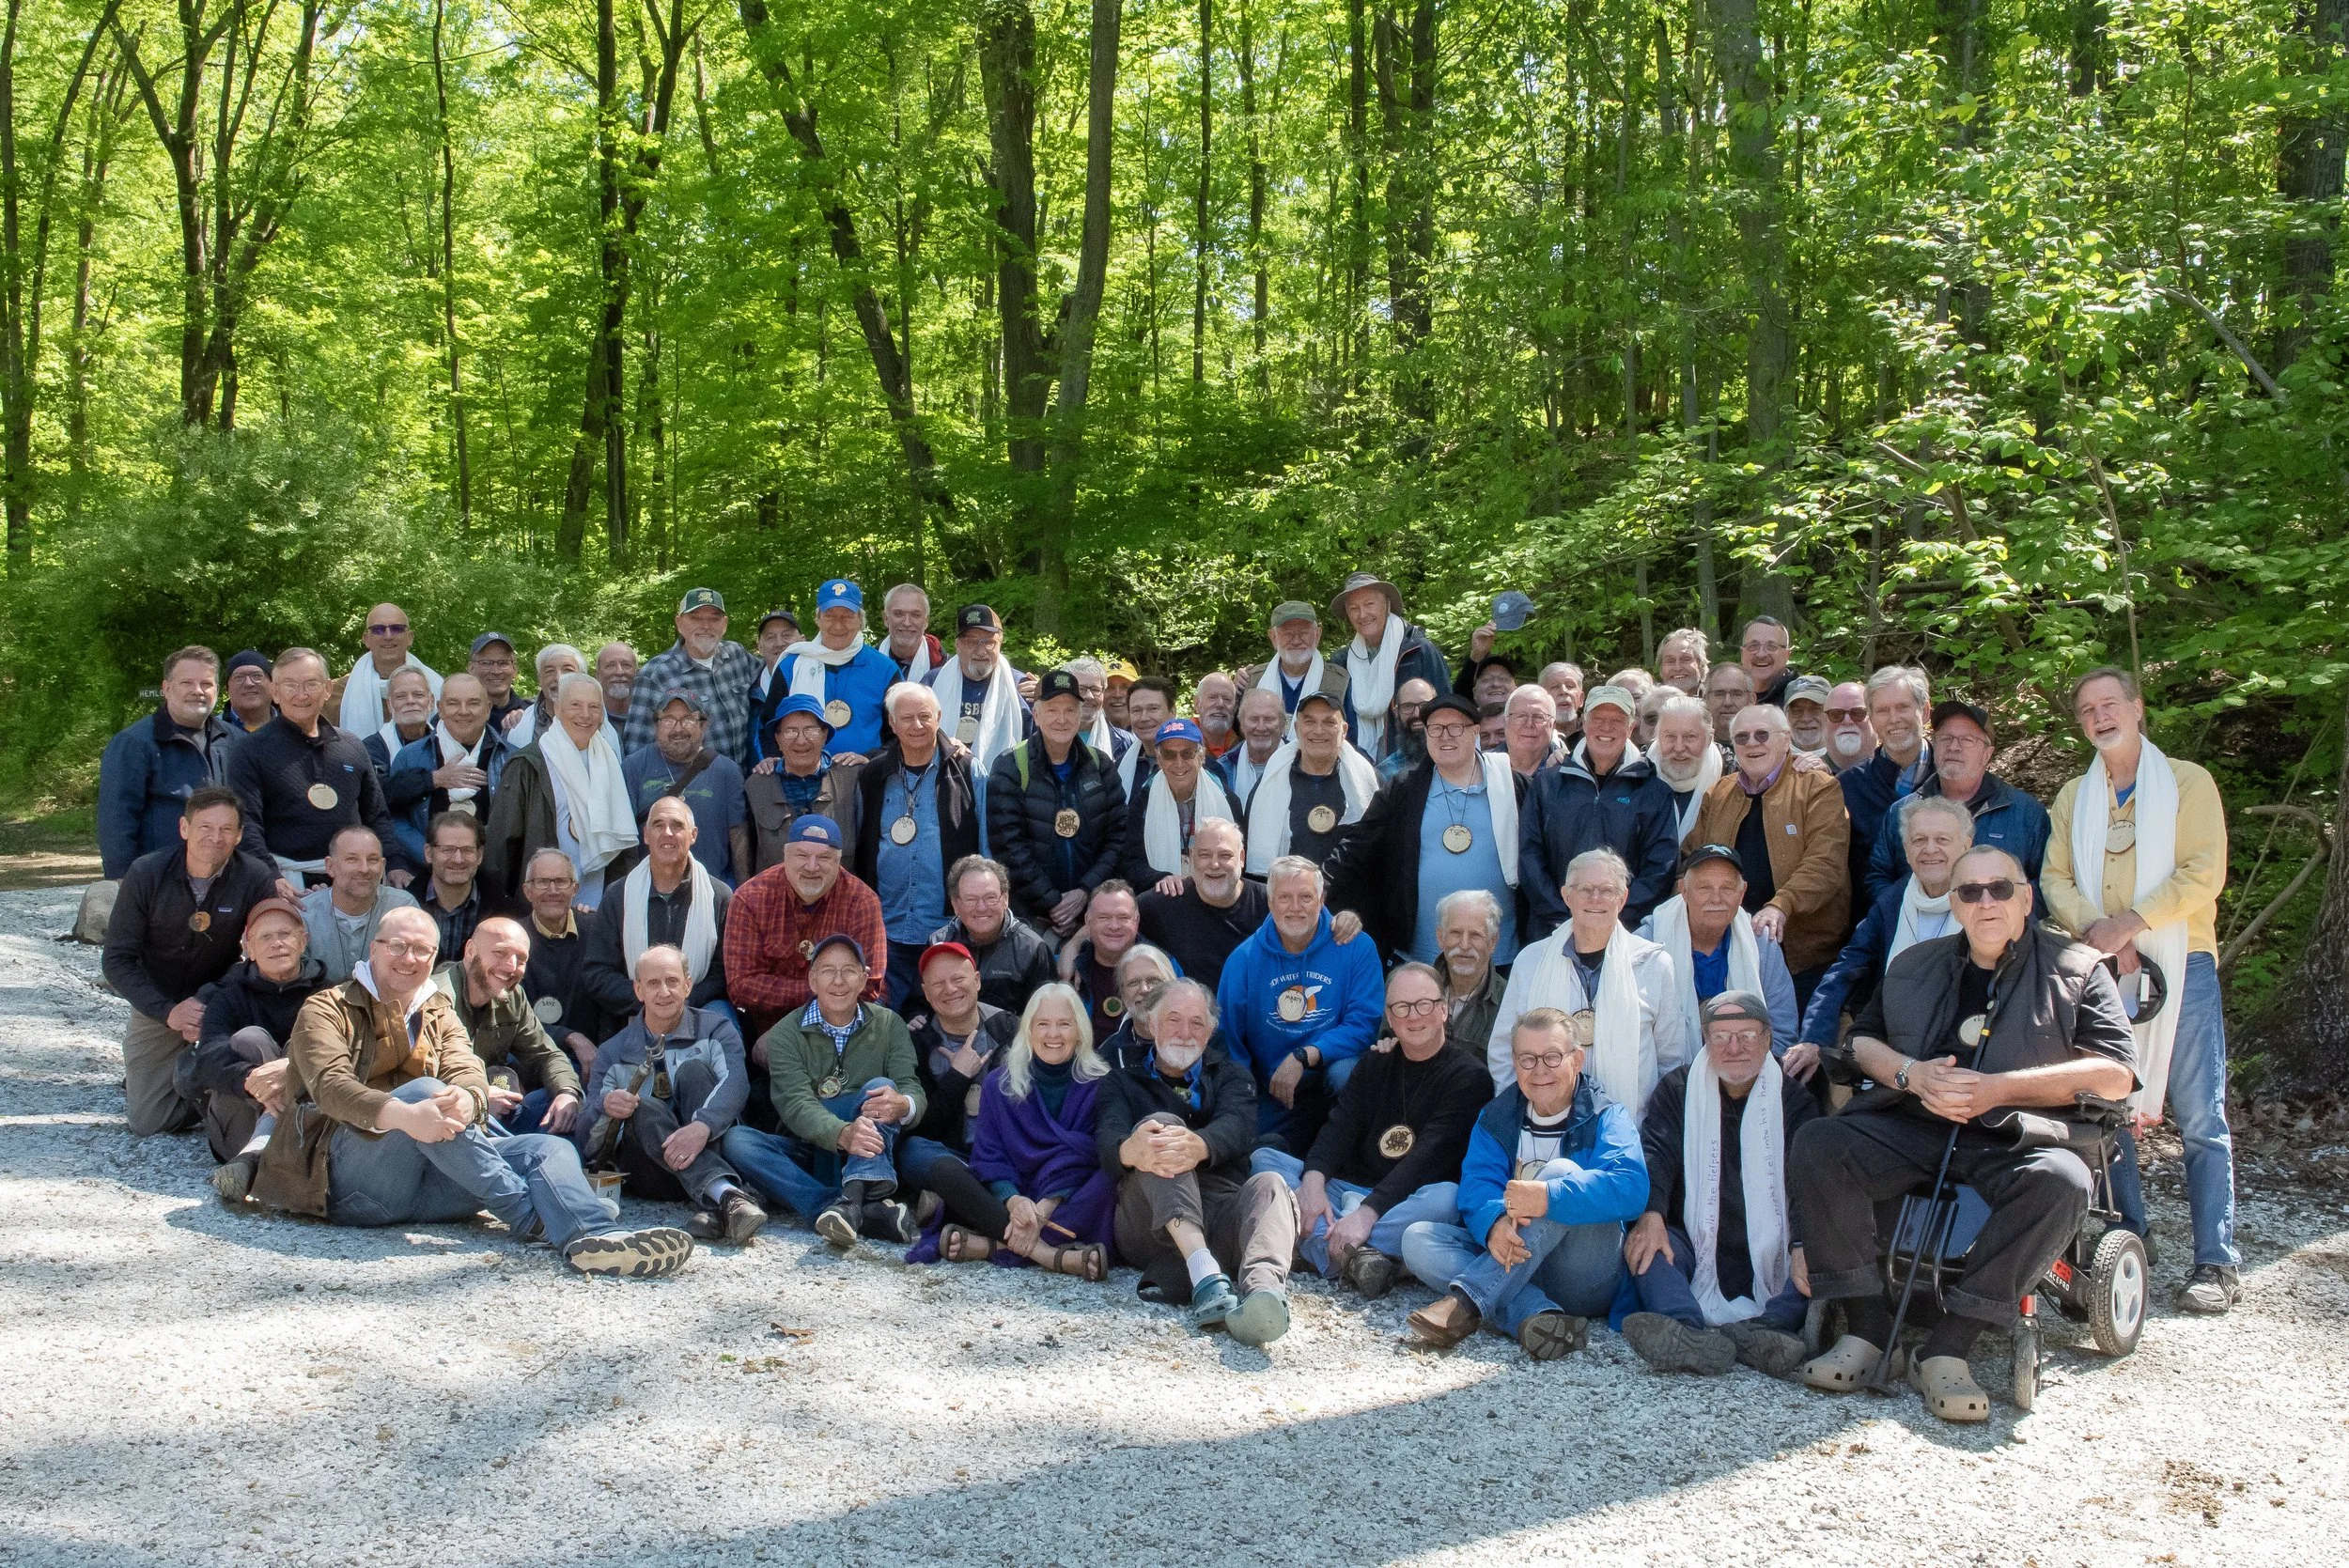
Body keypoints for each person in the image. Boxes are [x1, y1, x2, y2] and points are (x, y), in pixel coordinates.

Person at [1791, 846, 2137, 1423]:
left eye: (2000, 888)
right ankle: (1868, 1328)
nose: (1986, 902)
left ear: (2026, 897)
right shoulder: (1914, 964)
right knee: (1821, 1143)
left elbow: (2117, 1073)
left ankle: (1948, 1345)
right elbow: (1862, 1041)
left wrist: (1999, 1088)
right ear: (1954, 903)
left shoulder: (2078, 968)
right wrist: (1912, 1074)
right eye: (1970, 892)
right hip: (1915, 1122)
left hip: (2016, 1135)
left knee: (2066, 1180)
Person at [244, 906, 693, 1278]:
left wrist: (471, 1098)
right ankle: (532, 1216)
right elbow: (331, 1088)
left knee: (547, 1147)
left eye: (422, 949)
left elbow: (468, 1068)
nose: (410, 958)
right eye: (399, 946)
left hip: (428, 1180)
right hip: (345, 1182)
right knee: (423, 1091)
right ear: (374, 949)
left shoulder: (436, 1008)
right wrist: (406, 1115)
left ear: (435, 955)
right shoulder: (327, 1007)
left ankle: (595, 1239)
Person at [2042, 667, 2240, 1312]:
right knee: (2108, 1105)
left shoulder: (2187, 783)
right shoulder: (2075, 796)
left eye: (2109, 704)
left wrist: (2133, 923)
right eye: (2086, 709)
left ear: (2137, 707)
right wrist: (2102, 935)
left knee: (2201, 1116)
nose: (2099, 716)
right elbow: (2054, 877)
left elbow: (2203, 871)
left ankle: (2216, 1261)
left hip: (2183, 965)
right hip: (2101, 967)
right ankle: (2131, 1235)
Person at [1400, 1008, 1647, 1358]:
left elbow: (1631, 1187)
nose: (1540, 1070)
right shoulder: (1498, 1116)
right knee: (1418, 1239)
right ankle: (1536, 1315)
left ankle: (1469, 1300)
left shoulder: (1606, 1114)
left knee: (1558, 1173)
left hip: (1585, 1272)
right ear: (1514, 1063)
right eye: (1527, 1059)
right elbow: (1477, 1184)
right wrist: (1494, 1224)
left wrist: (1549, 1197)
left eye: (1551, 1057)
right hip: (1516, 1261)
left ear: (1577, 1060)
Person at [1252, 962, 1488, 1296]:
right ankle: (1361, 1257)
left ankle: (1326, 1246)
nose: (1414, 1016)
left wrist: (1365, 1214)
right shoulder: (1374, 1063)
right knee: (1264, 1161)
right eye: (1401, 1008)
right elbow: (1338, 1129)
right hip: (1349, 1191)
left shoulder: (1469, 1078)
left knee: (1447, 1199)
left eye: (1424, 1004)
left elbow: (1427, 1159)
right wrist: (1314, 1183)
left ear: (1443, 1010)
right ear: (1390, 1019)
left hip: (1406, 1201)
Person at [1622, 992, 1817, 1377]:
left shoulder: (1793, 1099)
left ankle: (1764, 1329)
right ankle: (1689, 1333)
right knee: (1648, 1250)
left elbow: (1808, 1182)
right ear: (1706, 1042)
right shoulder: (1678, 1089)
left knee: (1818, 1260)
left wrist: (1801, 1244)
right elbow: (1655, 1153)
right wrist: (1651, 1213)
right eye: (1721, 1037)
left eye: (1745, 1035)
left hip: (1775, 1242)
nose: (1734, 1048)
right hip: (1694, 1238)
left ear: (1767, 1039)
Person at [1098, 978, 1298, 1343]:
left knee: (1270, 1184)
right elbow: (1107, 1141)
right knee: (1161, 1130)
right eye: (1173, 1020)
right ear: (1152, 1025)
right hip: (1149, 1226)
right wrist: (1133, 1149)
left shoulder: (1233, 1076)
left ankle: (1263, 1295)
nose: (1185, 1032)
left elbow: (1237, 1126)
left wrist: (1200, 1145)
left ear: (1209, 1032)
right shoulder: (1121, 1082)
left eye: (1196, 1023)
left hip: (1219, 1214)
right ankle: (1205, 1276)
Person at [722, 932, 924, 1247]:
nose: (838, 981)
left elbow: (911, 1087)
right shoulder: (787, 1032)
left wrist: (904, 1105)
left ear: (863, 978)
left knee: (882, 1089)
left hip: (868, 1146)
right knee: (737, 1141)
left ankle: (851, 1201)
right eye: (828, 971)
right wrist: (842, 1133)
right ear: (813, 980)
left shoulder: (889, 1024)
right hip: (811, 1144)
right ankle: (841, 1207)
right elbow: (796, 1105)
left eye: (848, 971)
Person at [102, 787, 280, 1136]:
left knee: (256, 1066)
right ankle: (190, 1083)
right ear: (184, 827)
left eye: (227, 829)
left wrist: (208, 1000)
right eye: (205, 827)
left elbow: (262, 955)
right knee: (148, 1123)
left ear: (240, 835)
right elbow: (116, 959)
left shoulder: (255, 876)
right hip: (158, 1000)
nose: (216, 837)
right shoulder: (146, 872)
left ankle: (211, 1087)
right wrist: (167, 1011)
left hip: (222, 998)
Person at [915, 985, 1116, 1279]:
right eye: (1043, 1024)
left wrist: (1044, 1208)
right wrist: (1015, 1201)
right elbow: (989, 1156)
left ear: (1080, 1030)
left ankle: (991, 1245)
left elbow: (1091, 1155)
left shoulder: (1101, 1083)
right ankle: (1047, 1254)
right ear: (1028, 1030)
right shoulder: (999, 1083)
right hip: (1015, 1191)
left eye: (1064, 1024)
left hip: (1067, 1196)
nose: (1053, 1034)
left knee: (1110, 1176)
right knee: (956, 1177)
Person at [583, 944, 766, 1245]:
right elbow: (588, 1141)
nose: (664, 992)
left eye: (672, 981)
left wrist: (701, 1126)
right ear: (638, 989)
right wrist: (604, 1106)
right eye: (653, 983)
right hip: (651, 1171)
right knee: (642, 1107)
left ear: (688, 985)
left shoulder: (715, 1028)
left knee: (694, 1070)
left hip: (707, 1144)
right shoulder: (612, 1051)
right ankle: (728, 1195)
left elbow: (736, 1083)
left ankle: (714, 1203)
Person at [1325, 694, 1523, 968]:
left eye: (1456, 728)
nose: (1445, 737)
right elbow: (1358, 844)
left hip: (1500, 957)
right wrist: (1316, 885)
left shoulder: (1512, 786)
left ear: (1475, 732)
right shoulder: (1404, 788)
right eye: (1435, 729)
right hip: (1420, 957)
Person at [1488, 847, 1687, 1113]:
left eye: (1607, 890)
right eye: (1585, 889)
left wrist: (1654, 1127)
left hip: (1629, 1128)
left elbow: (1671, 1059)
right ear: (1566, 896)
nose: (1596, 899)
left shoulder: (1655, 964)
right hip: (1543, 1127)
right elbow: (1504, 1048)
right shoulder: (1531, 961)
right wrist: (1519, 1117)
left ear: (1623, 897)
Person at [1214, 856, 1384, 1148]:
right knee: (1254, 1153)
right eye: (1284, 898)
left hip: (1335, 1078)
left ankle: (1355, 1155)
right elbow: (1229, 1041)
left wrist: (1305, 1055)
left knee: (1346, 1074)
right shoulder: (1243, 960)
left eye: (1305, 897)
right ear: (1269, 902)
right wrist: (1244, 1099)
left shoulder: (1356, 947)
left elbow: (1363, 1024)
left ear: (1321, 900)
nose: (1295, 907)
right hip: (1276, 1091)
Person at [1690, 704, 1850, 1001]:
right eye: (1742, 738)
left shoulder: (1818, 787)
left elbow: (1825, 864)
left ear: (1785, 739)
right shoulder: (1719, 793)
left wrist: (1781, 905)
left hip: (1802, 954)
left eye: (1762, 735)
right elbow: (1690, 860)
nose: (1752, 744)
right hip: (1728, 949)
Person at [1799, 794, 1972, 1063]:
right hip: (1893, 1044)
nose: (1929, 849)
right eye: (1919, 840)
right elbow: (1846, 968)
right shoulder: (1892, 901)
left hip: (1965, 1045)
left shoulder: (1988, 900)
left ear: (1966, 845)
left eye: (1942, 840)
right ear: (1905, 849)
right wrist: (1813, 1039)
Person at [226, 647, 407, 892]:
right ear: (275, 692)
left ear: (327, 690)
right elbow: (246, 824)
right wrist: (270, 877)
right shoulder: (250, 750)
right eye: (290, 685)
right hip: (287, 884)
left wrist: (395, 862)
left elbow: (376, 815)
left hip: (357, 880)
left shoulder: (352, 746)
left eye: (311, 684)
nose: (301, 695)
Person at [181, 896, 325, 1194]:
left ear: (303, 941)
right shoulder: (229, 994)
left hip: (306, 1121)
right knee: (250, 1038)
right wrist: (252, 1079)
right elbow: (207, 1058)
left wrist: (288, 1071)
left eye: (285, 935)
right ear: (249, 948)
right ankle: (266, 1154)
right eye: (265, 937)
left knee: (300, 1047)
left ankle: (255, 1159)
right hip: (239, 1122)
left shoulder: (328, 993)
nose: (277, 944)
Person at [850, 681, 981, 1004]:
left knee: (943, 1017)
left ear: (939, 716)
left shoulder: (967, 770)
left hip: (946, 928)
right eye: (906, 718)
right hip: (886, 928)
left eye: (925, 716)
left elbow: (987, 848)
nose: (917, 725)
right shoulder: (873, 775)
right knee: (885, 1020)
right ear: (892, 724)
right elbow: (861, 845)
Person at [1520, 684, 1683, 940]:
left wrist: (1611, 916)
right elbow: (1530, 855)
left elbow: (1661, 867)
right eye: (1598, 719)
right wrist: (1563, 915)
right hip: (1552, 929)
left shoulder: (1654, 791)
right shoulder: (1548, 784)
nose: (1606, 728)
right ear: (1584, 723)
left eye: (1617, 720)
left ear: (1631, 728)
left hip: (1626, 931)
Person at [1863, 698, 2051, 910]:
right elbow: (1878, 876)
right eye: (1946, 738)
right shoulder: (1903, 811)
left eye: (1967, 740)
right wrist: (1905, 916)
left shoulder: (2025, 814)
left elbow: (2045, 887)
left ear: (1987, 754)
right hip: (1916, 935)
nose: (1954, 747)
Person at [987, 669, 1128, 939]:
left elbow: (1118, 837)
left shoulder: (1100, 765)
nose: (1061, 719)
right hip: (1031, 916)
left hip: (1093, 915)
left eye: (1069, 710)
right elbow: (1008, 845)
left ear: (1080, 715)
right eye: (1052, 710)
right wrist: (1052, 901)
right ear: (1037, 715)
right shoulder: (1011, 766)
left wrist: (1085, 892)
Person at [723, 813, 885, 1046]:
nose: (812, 866)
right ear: (786, 856)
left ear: (839, 862)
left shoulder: (862, 901)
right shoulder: (749, 898)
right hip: (770, 1026)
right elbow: (741, 985)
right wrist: (826, 989)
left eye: (824, 857)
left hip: (841, 1022)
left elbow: (869, 986)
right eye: (802, 855)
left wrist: (809, 1008)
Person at [1639, 845, 1801, 1074]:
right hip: (1668, 1084)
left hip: (1748, 1080)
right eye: (1704, 888)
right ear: (1683, 890)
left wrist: (1749, 1081)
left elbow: (1782, 1030)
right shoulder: (1648, 942)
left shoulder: (1760, 943)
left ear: (1742, 892)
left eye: (1727, 888)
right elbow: (1636, 1037)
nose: (1716, 899)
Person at [483, 674, 639, 909]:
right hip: (541, 902)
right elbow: (502, 844)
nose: (585, 715)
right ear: (557, 708)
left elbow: (623, 842)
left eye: (594, 707)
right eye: (575, 705)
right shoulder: (528, 764)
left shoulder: (610, 761)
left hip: (597, 900)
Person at [582, 793, 733, 1030]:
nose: (668, 833)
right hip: (632, 1011)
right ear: (645, 835)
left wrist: (681, 1001)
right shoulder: (617, 895)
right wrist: (651, 1002)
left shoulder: (719, 896)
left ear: (693, 835)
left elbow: (724, 971)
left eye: (677, 825)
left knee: (726, 1025)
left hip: (698, 1009)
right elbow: (598, 972)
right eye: (658, 825)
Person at [429, 916, 583, 1137]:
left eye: (520, 959)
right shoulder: (435, 997)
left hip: (499, 1111)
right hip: (448, 1119)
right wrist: (478, 1097)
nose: (511, 966)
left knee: (564, 1114)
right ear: (471, 951)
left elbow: (545, 1055)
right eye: (500, 953)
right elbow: (419, 1079)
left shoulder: (513, 996)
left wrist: (567, 1092)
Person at [894, 941, 1022, 1201]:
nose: (950, 989)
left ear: (976, 981)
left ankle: (956, 1208)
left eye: (958, 979)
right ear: (926, 994)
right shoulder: (918, 1041)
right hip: (951, 1158)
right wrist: (958, 1077)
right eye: (938, 984)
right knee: (912, 1150)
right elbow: (923, 1128)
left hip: (1004, 1156)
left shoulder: (1011, 1029)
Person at [100, 645, 236, 878]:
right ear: (166, 688)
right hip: (159, 878)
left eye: (206, 684)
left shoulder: (235, 741)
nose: (197, 691)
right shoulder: (134, 743)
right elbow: (116, 820)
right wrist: (123, 879)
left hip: (228, 876)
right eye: (186, 683)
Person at [1242, 692, 1378, 888]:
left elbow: (1381, 851)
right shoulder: (1269, 784)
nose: (1318, 730)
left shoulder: (1368, 781)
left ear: (1344, 730)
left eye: (1329, 722)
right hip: (1288, 906)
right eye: (1310, 722)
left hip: (1350, 909)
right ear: (1297, 729)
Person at [622, 687, 750, 882]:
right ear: (656, 725)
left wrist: (743, 890)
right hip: (650, 888)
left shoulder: (727, 771)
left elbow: (738, 835)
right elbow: (626, 838)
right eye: (668, 719)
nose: (678, 728)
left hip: (712, 888)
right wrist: (630, 888)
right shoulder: (634, 767)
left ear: (703, 725)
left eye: (688, 719)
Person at [625, 588, 764, 764]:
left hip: (744, 783)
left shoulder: (738, 656)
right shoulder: (655, 675)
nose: (705, 626)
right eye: (695, 618)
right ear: (679, 624)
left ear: (725, 624)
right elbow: (636, 751)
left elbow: (774, 678)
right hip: (691, 787)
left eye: (714, 618)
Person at [386, 673, 509, 870]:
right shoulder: (410, 756)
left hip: (492, 871)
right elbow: (393, 815)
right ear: (440, 709)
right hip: (425, 870)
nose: (463, 711)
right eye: (453, 703)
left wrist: (482, 856)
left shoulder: (510, 757)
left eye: (473, 703)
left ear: (487, 709)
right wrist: (427, 853)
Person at [769, 578, 898, 760]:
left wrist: (870, 759)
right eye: (830, 615)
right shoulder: (791, 667)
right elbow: (767, 727)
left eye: (847, 616)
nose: (838, 625)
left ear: (861, 620)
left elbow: (898, 734)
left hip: (868, 777)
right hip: (802, 779)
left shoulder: (885, 669)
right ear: (817, 619)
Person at [1135, 817, 1268, 990]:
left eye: (1225, 855)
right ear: (1191, 857)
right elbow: (1117, 920)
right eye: (1204, 855)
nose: (1214, 864)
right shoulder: (1165, 901)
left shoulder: (1269, 902)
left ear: (1241, 858)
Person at [1331, 571, 1448, 759]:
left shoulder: (1419, 650)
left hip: (1416, 761)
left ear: (1386, 605)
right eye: (1354, 608)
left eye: (1369, 604)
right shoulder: (1341, 662)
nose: (1362, 614)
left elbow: (1445, 707)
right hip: (1356, 763)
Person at [1840, 665, 1934, 898]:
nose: (1894, 719)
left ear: (1925, 711)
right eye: (1882, 711)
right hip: (1874, 921)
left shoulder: (1952, 779)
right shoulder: (1848, 787)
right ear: (1871, 719)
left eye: (1903, 707)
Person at [746, 694, 866, 873]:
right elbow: (747, 851)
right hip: (776, 897)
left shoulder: (852, 777)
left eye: (810, 730)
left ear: (824, 735)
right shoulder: (757, 785)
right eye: (790, 731)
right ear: (777, 739)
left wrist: (867, 761)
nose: (801, 740)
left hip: (840, 896)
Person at [1122, 717, 1241, 893]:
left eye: (1187, 753)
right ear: (1160, 759)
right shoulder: (1143, 800)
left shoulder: (1225, 798)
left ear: (1201, 756)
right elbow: (1130, 863)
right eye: (1170, 754)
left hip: (1215, 895)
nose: (1179, 763)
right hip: (1164, 897)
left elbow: (1239, 856)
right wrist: (1161, 877)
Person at [929, 855, 1057, 1014]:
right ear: (956, 904)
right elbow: (919, 1004)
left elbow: (1047, 1013)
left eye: (990, 898)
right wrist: (916, 1015)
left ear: (1005, 899)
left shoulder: (1031, 948)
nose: (981, 907)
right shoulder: (938, 944)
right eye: (971, 899)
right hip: (951, 1037)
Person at [518, 849, 603, 1079]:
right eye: (543, 882)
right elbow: (512, 1017)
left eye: (561, 882)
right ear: (528, 891)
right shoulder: (514, 940)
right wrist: (569, 1036)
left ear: (575, 889)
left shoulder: (597, 931)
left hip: (591, 1061)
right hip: (531, 1056)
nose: (553, 890)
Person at [300, 827, 422, 983]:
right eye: (352, 859)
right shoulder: (304, 915)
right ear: (330, 866)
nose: (364, 869)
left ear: (383, 865)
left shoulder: (403, 907)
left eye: (372, 860)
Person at [926, 602, 1030, 781]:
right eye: (971, 642)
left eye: (989, 642)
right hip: (943, 782)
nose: (981, 651)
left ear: (1000, 643)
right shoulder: (932, 683)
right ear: (957, 645)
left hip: (1004, 785)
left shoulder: (1021, 687)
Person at [1238, 600, 1353, 736]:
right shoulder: (1252, 680)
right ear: (1273, 637)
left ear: (1317, 635)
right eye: (1288, 634)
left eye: (1303, 633)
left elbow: (1351, 736)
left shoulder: (1340, 681)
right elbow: (1241, 734)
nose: (1296, 640)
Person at [416, 810, 508, 961]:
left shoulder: (506, 914)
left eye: (467, 850)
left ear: (479, 855)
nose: (458, 859)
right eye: (447, 850)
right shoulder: (402, 906)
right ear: (428, 853)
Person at [336, 603, 440, 733]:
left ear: (410, 638)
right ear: (366, 639)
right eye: (378, 630)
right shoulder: (340, 693)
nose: (388, 636)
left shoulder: (438, 688)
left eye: (397, 628)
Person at [1063, 878, 1143, 1036]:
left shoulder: (1163, 968)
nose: (1114, 926)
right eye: (1104, 917)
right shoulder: (1064, 969)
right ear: (1088, 921)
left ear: (1137, 921)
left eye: (1123, 917)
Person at [1647, 692, 1722, 849]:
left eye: (1690, 737)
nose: (1679, 747)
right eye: (1670, 737)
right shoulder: (1637, 777)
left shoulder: (1729, 781)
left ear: (1710, 738)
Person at [1095, 944, 1180, 1067]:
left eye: (1154, 980)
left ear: (1173, 988)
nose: (1144, 989)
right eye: (1133, 983)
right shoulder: (1106, 1059)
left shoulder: (1199, 1044)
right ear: (1123, 995)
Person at [1067, 656, 1142, 795]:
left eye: (1096, 689)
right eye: (1081, 689)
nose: (1089, 696)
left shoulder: (1127, 743)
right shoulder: (1048, 738)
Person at [746, 608, 802, 764]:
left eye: (787, 635)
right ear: (759, 646)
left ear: (803, 640)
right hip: (760, 781)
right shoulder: (746, 691)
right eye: (770, 637)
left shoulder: (816, 680)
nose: (779, 643)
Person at [503, 644, 587, 749]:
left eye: (568, 670)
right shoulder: (516, 725)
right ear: (540, 679)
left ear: (582, 677)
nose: (559, 678)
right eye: (549, 671)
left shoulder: (599, 722)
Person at [363, 667, 437, 777]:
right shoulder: (372, 747)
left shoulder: (444, 739)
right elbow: (381, 788)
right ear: (389, 704)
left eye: (418, 695)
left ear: (431, 702)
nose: (410, 701)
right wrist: (434, 780)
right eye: (401, 696)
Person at [1227, 686, 1288, 804]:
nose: (1261, 727)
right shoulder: (1224, 768)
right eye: (1254, 719)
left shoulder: (1301, 763)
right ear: (1242, 725)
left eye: (1269, 719)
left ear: (1282, 724)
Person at [1376, 677, 1439, 784]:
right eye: (1408, 706)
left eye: (1424, 705)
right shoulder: (1384, 775)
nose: (1417, 714)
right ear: (1396, 713)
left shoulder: (1459, 760)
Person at [1120, 678, 1176, 791]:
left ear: (1172, 712)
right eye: (1136, 710)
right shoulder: (1120, 766)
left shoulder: (1196, 763)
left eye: (1153, 709)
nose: (1144, 718)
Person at [469, 631, 528, 732]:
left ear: (514, 669)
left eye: (503, 663)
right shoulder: (457, 717)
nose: (496, 671)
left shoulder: (531, 716)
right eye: (486, 663)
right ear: (471, 669)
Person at [1502, 684, 1564, 776]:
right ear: (1505, 723)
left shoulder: (1567, 770)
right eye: (1520, 716)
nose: (1529, 724)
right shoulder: (1484, 767)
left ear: (1553, 726)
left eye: (1539, 717)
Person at [1739, 615, 1797, 706]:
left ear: (1787, 655)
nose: (1761, 654)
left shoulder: (1799, 696)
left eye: (1771, 647)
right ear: (1742, 653)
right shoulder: (1728, 695)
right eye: (1753, 646)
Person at [1824, 680, 1875, 773]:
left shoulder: (1897, 773)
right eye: (1836, 714)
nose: (1847, 721)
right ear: (1824, 720)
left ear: (1875, 717)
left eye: (1858, 713)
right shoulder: (1808, 776)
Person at [1702, 663, 1756, 749]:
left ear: (1752, 700)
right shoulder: (1697, 745)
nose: (1728, 702)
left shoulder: (1765, 742)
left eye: (1736, 694)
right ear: (1706, 700)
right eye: (1719, 694)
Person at [1782, 675, 1834, 761]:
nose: (1806, 719)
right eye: (1797, 711)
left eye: (1815, 710)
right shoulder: (1774, 760)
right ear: (1786, 716)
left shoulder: (1846, 759)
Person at [1192, 671, 1241, 760]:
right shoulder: (1181, 743)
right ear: (1197, 704)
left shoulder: (1245, 745)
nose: (1220, 704)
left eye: (1227, 699)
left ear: (1235, 707)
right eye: (1212, 698)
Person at [223, 649, 275, 733]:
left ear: (273, 685)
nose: (248, 683)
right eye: (239, 677)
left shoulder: (295, 728)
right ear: (227, 687)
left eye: (257, 676)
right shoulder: (209, 733)